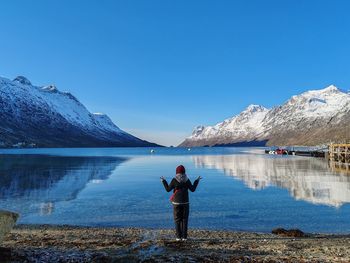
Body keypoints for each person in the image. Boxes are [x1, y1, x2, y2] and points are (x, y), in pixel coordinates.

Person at [161, 165, 202, 241]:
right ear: (184, 171)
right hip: (185, 203)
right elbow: (192, 189)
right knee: (184, 220)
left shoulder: (174, 180)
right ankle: (184, 237)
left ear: (176, 172)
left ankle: (178, 237)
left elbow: (168, 189)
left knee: (177, 220)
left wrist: (164, 181)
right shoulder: (187, 180)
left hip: (176, 203)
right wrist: (197, 181)